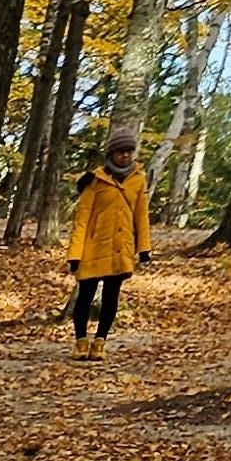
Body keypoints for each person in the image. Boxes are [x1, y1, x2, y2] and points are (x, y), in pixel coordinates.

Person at [67, 131, 151, 357]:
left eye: (129, 152)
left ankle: (100, 342)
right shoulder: (94, 180)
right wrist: (74, 254)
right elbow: (82, 218)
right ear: (111, 154)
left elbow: (141, 216)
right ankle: (81, 342)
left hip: (121, 248)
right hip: (93, 247)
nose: (125, 156)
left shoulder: (138, 179)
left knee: (111, 296)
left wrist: (144, 249)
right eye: (120, 152)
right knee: (85, 294)